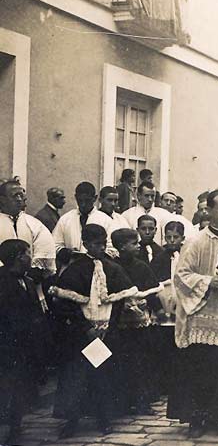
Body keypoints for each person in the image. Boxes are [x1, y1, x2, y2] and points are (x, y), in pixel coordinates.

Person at [168, 189, 218, 439]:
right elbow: (181, 276)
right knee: (202, 367)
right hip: (202, 316)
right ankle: (197, 417)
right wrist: (207, 282)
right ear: (209, 210)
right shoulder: (196, 242)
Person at [49, 224, 137, 439]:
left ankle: (105, 418)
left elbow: (120, 301)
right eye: (96, 244)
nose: (101, 248)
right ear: (86, 244)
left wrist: (109, 326)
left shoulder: (113, 268)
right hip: (80, 335)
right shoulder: (75, 270)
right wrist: (86, 328)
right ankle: (72, 420)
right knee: (77, 377)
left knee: (103, 377)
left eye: (103, 243)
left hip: (106, 334)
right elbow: (65, 305)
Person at [0, 240, 50, 445]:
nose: (31, 258)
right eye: (28, 253)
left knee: (20, 387)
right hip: (7, 346)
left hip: (25, 345)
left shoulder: (28, 281)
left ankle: (15, 427)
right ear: (19, 257)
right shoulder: (2, 282)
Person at [111, 228, 161, 416]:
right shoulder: (112, 267)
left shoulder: (142, 267)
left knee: (141, 362)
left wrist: (148, 302)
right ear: (122, 247)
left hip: (139, 323)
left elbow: (153, 289)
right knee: (121, 362)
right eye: (134, 243)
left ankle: (142, 402)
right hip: (119, 322)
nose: (139, 246)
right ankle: (122, 403)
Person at [150, 221, 184, 395]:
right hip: (164, 304)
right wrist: (159, 308)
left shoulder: (186, 256)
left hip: (182, 305)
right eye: (168, 237)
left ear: (182, 238)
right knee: (164, 344)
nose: (171, 241)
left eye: (175, 237)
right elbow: (152, 284)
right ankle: (164, 384)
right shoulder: (159, 258)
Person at [0, 180, 56, 275]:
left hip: (30, 277)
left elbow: (45, 248)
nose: (20, 199)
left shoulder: (34, 224)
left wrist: (30, 271)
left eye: (21, 195)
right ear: (2, 200)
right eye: (15, 196)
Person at [52, 182, 115, 256]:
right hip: (72, 262)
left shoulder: (105, 220)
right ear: (75, 197)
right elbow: (54, 245)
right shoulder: (65, 219)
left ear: (94, 198)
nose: (83, 204)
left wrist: (95, 254)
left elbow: (112, 248)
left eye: (87, 200)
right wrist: (67, 253)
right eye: (80, 201)